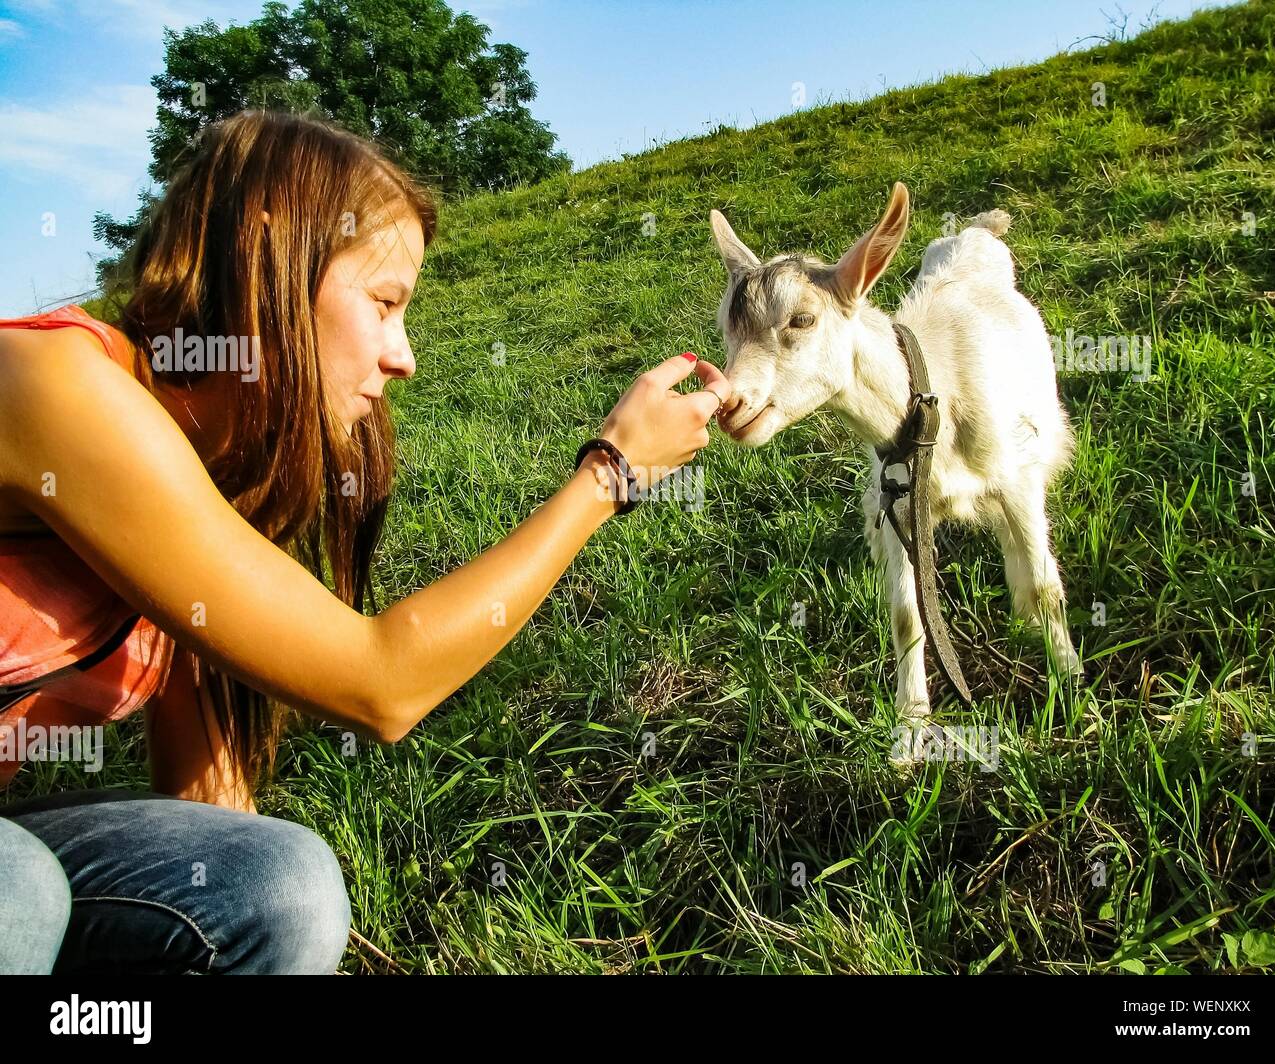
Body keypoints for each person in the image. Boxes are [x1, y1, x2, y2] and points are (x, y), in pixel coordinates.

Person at [0, 109, 731, 974]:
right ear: (266, 252)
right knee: (21, 888)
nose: (404, 355)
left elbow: (211, 817)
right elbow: (380, 682)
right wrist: (609, 474)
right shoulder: (52, 385)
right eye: (384, 304)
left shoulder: (202, 505)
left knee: (277, 884)